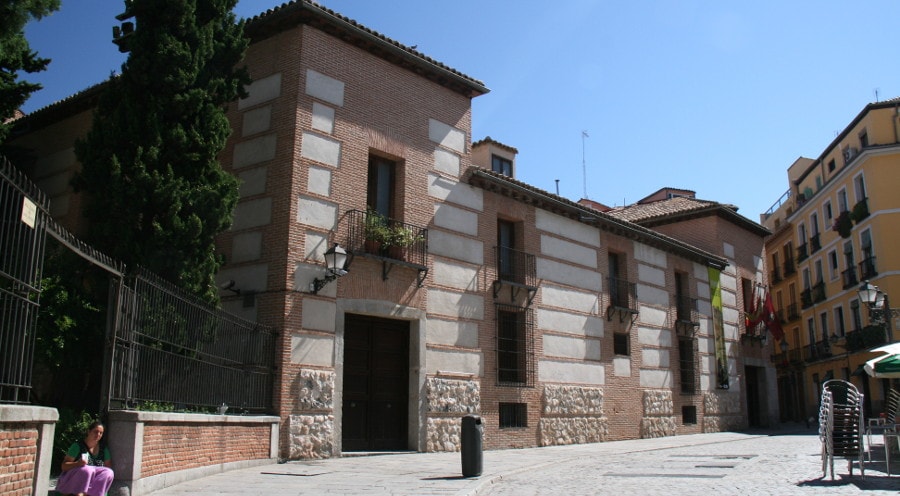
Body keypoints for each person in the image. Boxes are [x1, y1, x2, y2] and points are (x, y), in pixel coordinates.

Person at [55, 420, 114, 496]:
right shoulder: (77, 446)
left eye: (101, 433)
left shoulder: (103, 449)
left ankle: (96, 494)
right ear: (89, 431)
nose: (98, 434)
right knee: (87, 470)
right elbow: (64, 466)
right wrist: (78, 463)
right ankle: (81, 493)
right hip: (72, 482)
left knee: (109, 472)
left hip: (93, 484)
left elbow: (107, 466)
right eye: (95, 431)